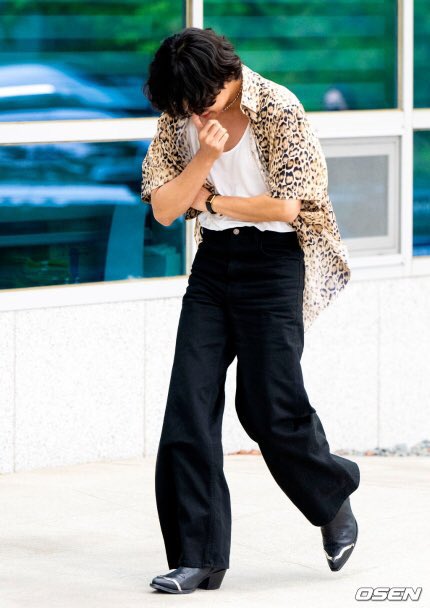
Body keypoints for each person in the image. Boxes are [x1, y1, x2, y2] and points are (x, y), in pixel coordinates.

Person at [141, 27, 360, 595]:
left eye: (197, 102)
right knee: (188, 408)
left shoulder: (279, 108)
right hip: (214, 264)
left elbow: (288, 206)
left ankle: (331, 497)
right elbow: (164, 207)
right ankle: (198, 557)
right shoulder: (182, 114)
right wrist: (206, 155)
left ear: (227, 78)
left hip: (275, 263)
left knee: (269, 407)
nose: (189, 113)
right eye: (180, 106)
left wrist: (209, 197)